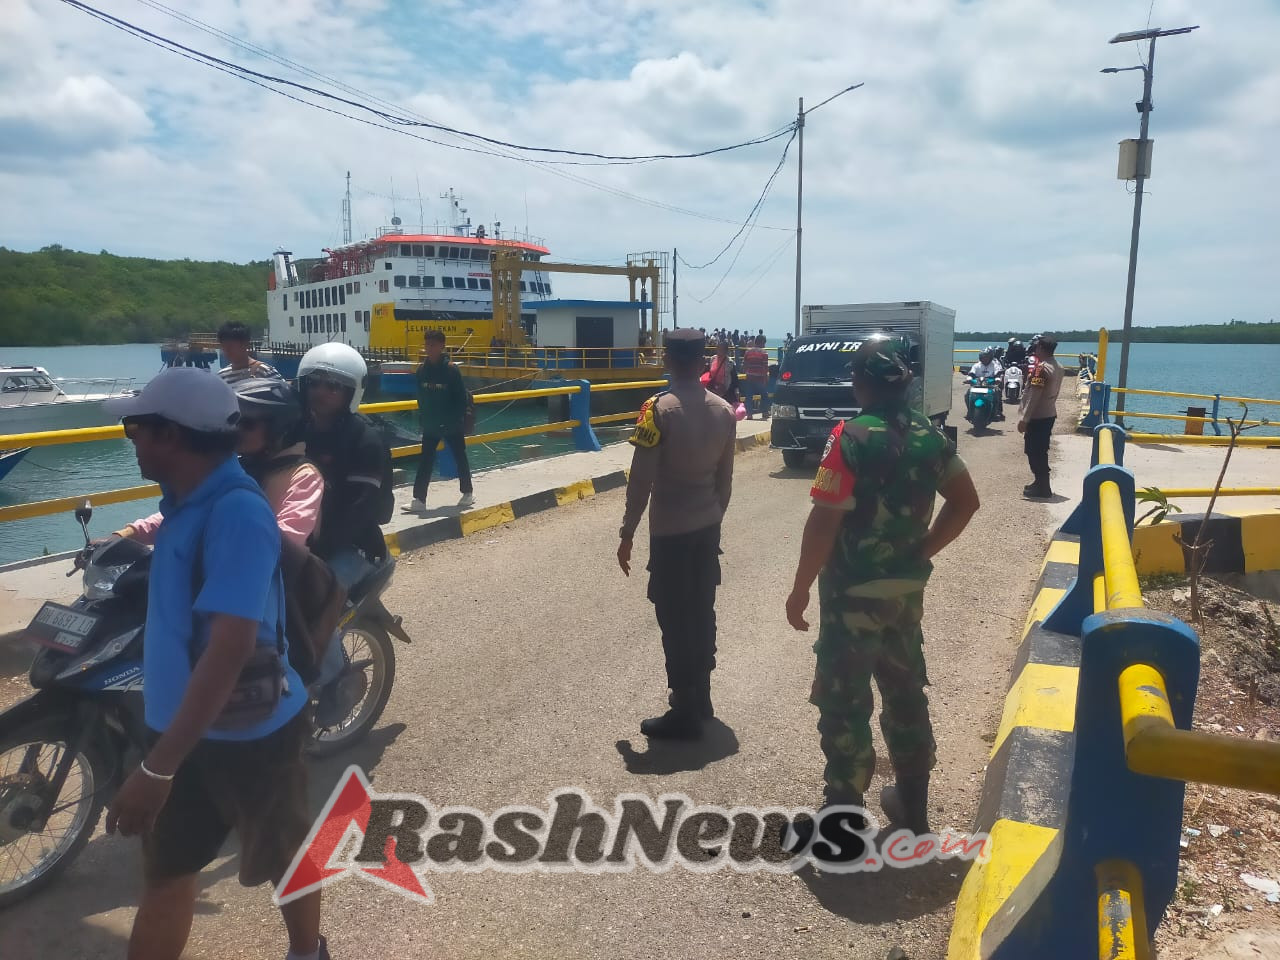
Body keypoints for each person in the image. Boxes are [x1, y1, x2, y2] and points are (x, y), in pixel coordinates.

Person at [100, 368, 327, 960]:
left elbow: (229, 647)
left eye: (135, 428)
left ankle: (308, 951)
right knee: (169, 875)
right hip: (177, 728)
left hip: (251, 735)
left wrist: (156, 770)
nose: (130, 440)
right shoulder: (183, 503)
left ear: (170, 435)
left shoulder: (237, 515)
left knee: (284, 858)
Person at [785, 335, 979, 832]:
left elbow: (824, 520)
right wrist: (920, 552)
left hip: (851, 594)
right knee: (904, 688)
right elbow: (965, 502)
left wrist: (801, 586)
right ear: (907, 383)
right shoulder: (932, 439)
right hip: (904, 594)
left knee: (845, 695)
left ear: (861, 384)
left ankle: (844, 811)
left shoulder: (849, 437)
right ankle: (913, 806)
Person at [618, 328, 737, 739]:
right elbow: (726, 480)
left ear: (668, 360)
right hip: (706, 529)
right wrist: (712, 515)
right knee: (702, 611)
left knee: (673, 616)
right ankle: (701, 698)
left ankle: (684, 709)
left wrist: (627, 531)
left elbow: (641, 480)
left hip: (669, 533)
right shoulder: (724, 410)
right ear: (703, 361)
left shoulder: (656, 409)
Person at [115, 378, 323, 548]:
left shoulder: (303, 476)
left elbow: (287, 536)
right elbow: (188, 511)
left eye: (247, 424)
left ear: (279, 430)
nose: (235, 430)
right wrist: (129, 533)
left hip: (281, 585)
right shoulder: (236, 467)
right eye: (232, 421)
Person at [299, 343, 391, 588]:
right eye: (314, 382)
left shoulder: (365, 439)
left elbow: (360, 508)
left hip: (356, 545)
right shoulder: (296, 432)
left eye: (333, 386)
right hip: (300, 541)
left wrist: (319, 549)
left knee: (316, 591)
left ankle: (326, 629)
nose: (321, 391)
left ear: (351, 392)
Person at [409, 329, 475, 512]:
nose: (429, 348)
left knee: (459, 457)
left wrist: (453, 419)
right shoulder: (421, 370)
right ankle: (419, 500)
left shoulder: (451, 370)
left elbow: (461, 399)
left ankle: (468, 492)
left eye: (433, 344)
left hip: (451, 424)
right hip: (430, 425)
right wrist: (424, 418)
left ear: (442, 346)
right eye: (427, 344)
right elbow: (421, 397)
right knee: (425, 461)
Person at [1018, 334, 1064, 499]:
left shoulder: (1041, 369)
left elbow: (1034, 396)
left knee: (1034, 451)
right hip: (1049, 413)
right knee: (1041, 450)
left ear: (1042, 348)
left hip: (1037, 416)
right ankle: (1040, 483)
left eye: (1037, 346)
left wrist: (1025, 418)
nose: (1035, 349)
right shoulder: (1058, 366)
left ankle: (1042, 486)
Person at [217, 321, 280, 385]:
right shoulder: (221, 376)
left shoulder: (265, 371)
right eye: (223, 346)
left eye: (231, 346)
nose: (227, 350)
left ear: (245, 344)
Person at [742, 335, 771, 419]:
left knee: (749, 396)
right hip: (760, 378)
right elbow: (765, 367)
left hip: (749, 377)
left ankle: (749, 414)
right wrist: (766, 379)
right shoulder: (764, 353)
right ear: (762, 343)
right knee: (764, 395)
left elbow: (744, 365)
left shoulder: (748, 352)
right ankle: (765, 412)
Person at [704, 340, 740, 406]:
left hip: (726, 391)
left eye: (722, 349)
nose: (719, 351)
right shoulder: (712, 359)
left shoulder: (730, 362)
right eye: (718, 348)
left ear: (726, 351)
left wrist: (737, 391)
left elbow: (735, 379)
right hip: (713, 390)